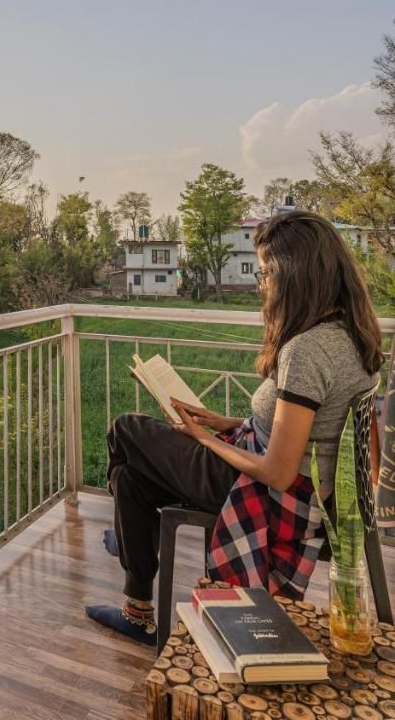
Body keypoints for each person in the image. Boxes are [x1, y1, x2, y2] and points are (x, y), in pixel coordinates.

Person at [86, 210, 384, 645]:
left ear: (293, 275)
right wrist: (222, 421)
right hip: (309, 490)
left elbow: (278, 471)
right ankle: (137, 604)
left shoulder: (307, 350)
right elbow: (305, 431)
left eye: (265, 273)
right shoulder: (351, 333)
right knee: (130, 478)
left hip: (268, 494)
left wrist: (204, 438)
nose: (262, 284)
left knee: (125, 428)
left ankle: (129, 541)